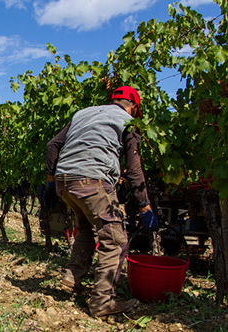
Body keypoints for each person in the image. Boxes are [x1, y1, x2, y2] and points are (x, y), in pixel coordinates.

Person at [44, 86, 158, 317]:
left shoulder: (83, 113)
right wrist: (144, 205)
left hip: (64, 181)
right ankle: (102, 302)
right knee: (114, 239)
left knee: (86, 228)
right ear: (134, 107)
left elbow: (52, 145)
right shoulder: (129, 122)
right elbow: (134, 169)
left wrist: (49, 181)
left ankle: (73, 277)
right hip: (92, 181)